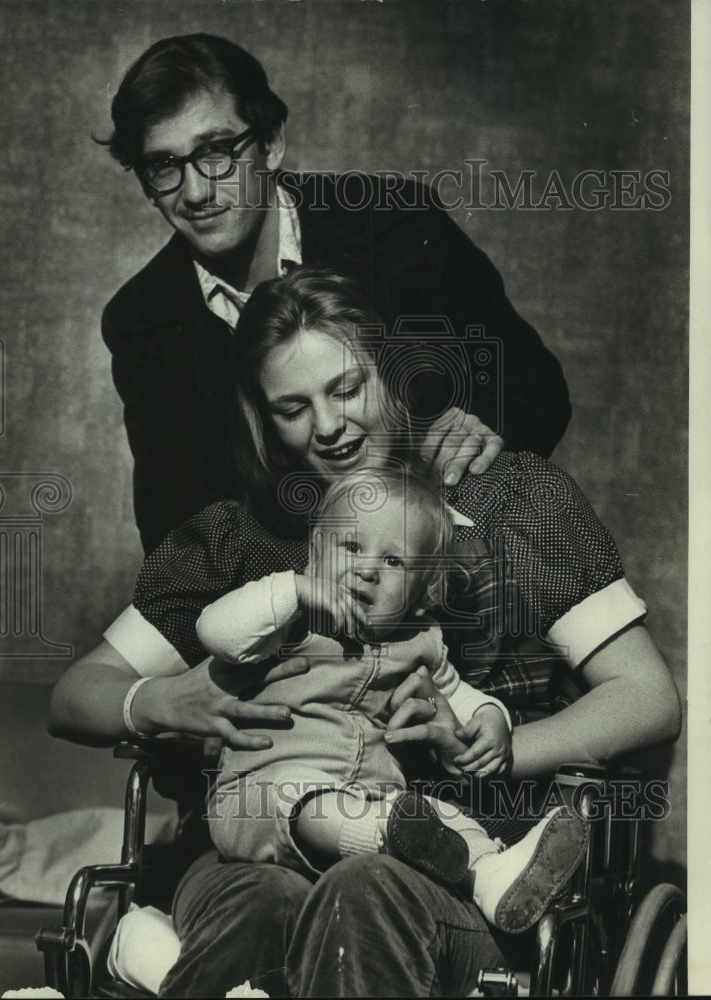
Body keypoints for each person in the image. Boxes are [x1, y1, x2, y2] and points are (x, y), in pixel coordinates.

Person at [50, 268, 680, 997]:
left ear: (393, 375)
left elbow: (646, 697)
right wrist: (160, 701)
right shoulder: (239, 543)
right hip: (253, 853)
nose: (327, 426)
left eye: (346, 389)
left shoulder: (511, 501)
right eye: (292, 407)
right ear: (263, 420)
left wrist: (489, 751)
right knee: (262, 901)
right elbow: (75, 698)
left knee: (361, 885)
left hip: (453, 875)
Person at [99, 32, 572, 554]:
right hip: (289, 593)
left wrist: (480, 431)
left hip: (452, 545)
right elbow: (178, 528)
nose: (195, 192)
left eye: (215, 152)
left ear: (272, 142)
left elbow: (534, 385)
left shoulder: (395, 225)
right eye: (164, 165)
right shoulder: (141, 319)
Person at [199, 467, 589, 937]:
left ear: (422, 594)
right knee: (300, 790)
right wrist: (291, 590)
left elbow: (459, 695)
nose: (367, 569)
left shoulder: (420, 641)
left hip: (377, 799)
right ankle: (386, 835)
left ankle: (491, 875)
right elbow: (217, 633)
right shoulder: (287, 622)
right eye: (351, 547)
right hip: (259, 796)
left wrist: (491, 718)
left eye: (394, 563)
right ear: (315, 552)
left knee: (443, 815)